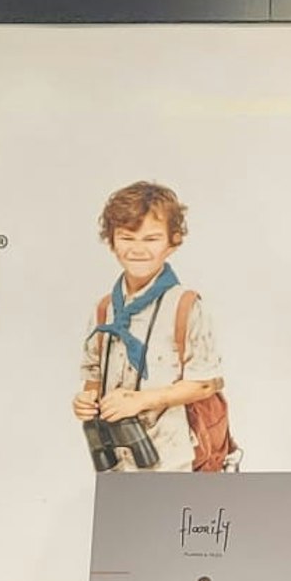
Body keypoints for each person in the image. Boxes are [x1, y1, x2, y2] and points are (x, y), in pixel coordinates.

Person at [73, 181, 237, 471]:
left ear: (172, 243)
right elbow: (93, 377)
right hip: (118, 463)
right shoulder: (104, 310)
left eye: (151, 239)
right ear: (111, 242)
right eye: (127, 238)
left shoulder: (185, 305)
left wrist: (140, 401)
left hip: (174, 459)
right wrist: (86, 400)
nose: (138, 249)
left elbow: (204, 383)